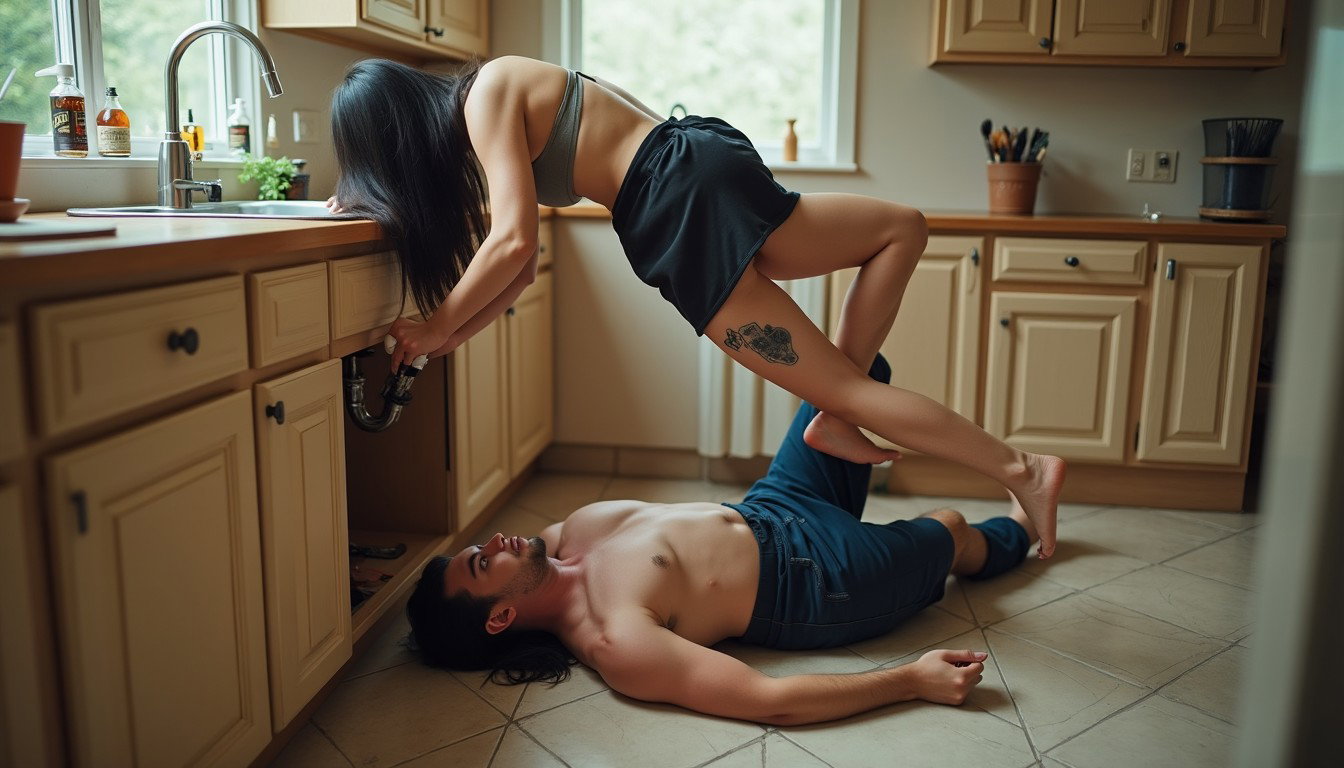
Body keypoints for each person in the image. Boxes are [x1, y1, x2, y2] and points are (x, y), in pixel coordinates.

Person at [328, 55, 1066, 557]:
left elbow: (514, 242)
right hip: (697, 158)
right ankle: (837, 419)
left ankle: (1022, 469)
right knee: (903, 228)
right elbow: (517, 279)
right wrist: (452, 334)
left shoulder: (484, 97)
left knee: (848, 387)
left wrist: (435, 323)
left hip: (674, 204)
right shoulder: (501, 90)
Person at [406, 354, 1036, 725]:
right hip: (818, 580)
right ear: (502, 617)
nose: (494, 542)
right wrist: (911, 681)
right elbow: (770, 699)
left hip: (774, 503)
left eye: (480, 546)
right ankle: (1018, 531)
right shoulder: (616, 639)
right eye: (482, 564)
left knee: (854, 369)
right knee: (952, 528)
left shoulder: (567, 535)